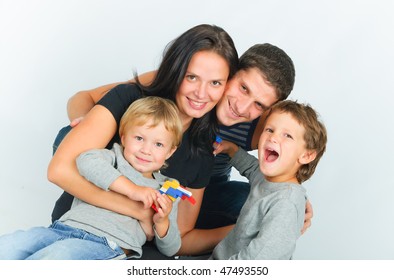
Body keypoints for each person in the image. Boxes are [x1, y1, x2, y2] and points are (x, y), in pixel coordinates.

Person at [48, 23, 239, 258]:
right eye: (191, 77)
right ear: (176, 70)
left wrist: (241, 230)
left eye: (215, 83)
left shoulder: (201, 150)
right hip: (77, 227)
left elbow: (181, 238)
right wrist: (138, 210)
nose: (201, 93)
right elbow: (59, 170)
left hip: (131, 247)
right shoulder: (130, 99)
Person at [0, 96, 183, 259]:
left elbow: (172, 248)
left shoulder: (165, 189)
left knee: (54, 258)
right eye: (139, 138)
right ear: (124, 137)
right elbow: (86, 160)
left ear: (170, 151)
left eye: (158, 144)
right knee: (9, 246)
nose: (146, 150)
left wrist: (162, 222)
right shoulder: (112, 158)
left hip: (106, 245)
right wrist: (132, 190)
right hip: (62, 229)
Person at [210, 100, 327, 259]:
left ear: (306, 155)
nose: (273, 137)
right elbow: (252, 168)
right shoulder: (271, 179)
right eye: (270, 129)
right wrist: (232, 150)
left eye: (287, 135)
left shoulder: (286, 204)